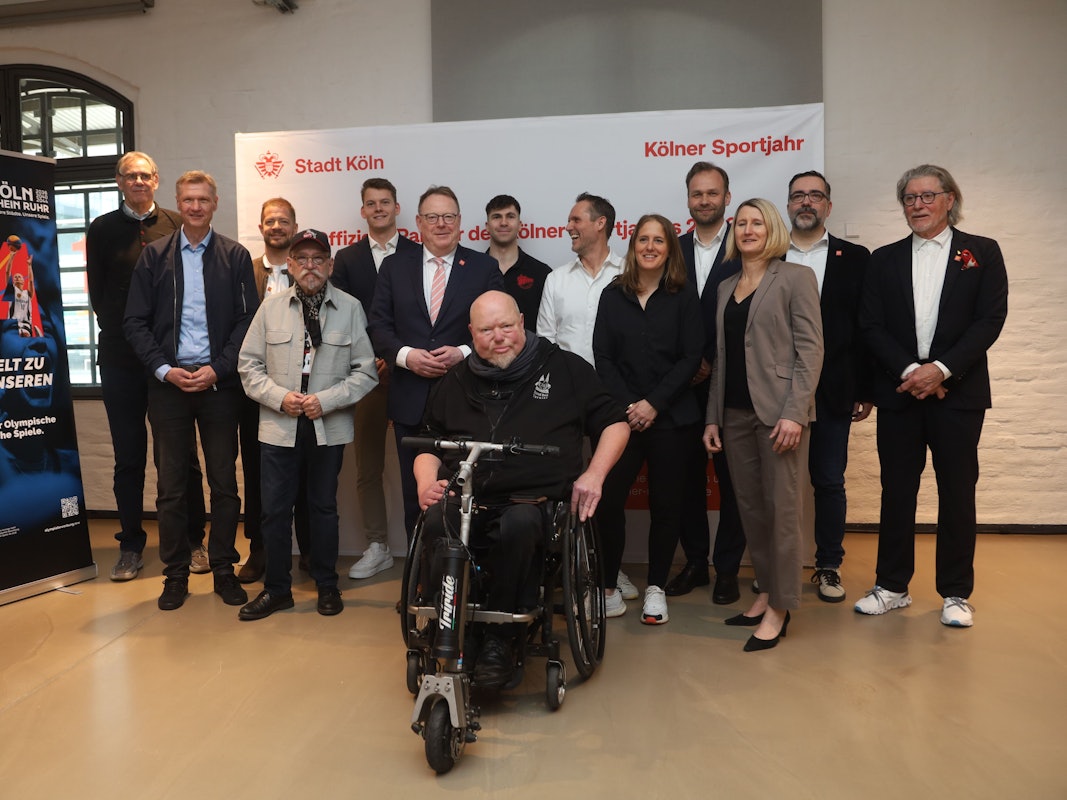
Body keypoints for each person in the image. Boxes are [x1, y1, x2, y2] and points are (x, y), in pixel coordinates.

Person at [415, 290, 628, 686]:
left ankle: (500, 638)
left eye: (507, 326)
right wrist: (427, 481)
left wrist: (594, 474)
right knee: (435, 519)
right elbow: (429, 442)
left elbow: (615, 423)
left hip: (535, 502)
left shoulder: (566, 369)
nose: (499, 337)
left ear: (522, 321)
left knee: (519, 525)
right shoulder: (455, 381)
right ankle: (447, 624)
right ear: (471, 333)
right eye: (486, 330)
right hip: (466, 499)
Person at [856, 164, 1008, 628]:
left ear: (949, 199)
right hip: (901, 392)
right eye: (909, 198)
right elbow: (870, 324)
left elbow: (990, 319)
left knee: (957, 492)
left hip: (957, 394)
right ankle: (892, 586)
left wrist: (940, 370)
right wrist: (910, 372)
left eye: (927, 196)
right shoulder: (882, 258)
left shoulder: (982, 252)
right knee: (896, 491)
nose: (917, 205)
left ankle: (957, 593)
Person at [124, 170, 259, 611]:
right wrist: (164, 369)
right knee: (172, 487)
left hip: (219, 386)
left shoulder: (235, 256)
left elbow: (247, 322)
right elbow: (134, 322)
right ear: (178, 204)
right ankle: (176, 575)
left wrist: (218, 370)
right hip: (169, 386)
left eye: (203, 199)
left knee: (224, 484)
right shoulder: (154, 256)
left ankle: (223, 569)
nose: (196, 206)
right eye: (188, 200)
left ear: (215, 203)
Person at [237, 229, 379, 620]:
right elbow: (247, 366)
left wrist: (326, 401)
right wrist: (281, 398)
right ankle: (277, 589)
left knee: (322, 508)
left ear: (330, 265)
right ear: (291, 265)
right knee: (275, 511)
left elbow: (366, 373)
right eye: (302, 259)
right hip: (278, 426)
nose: (310, 266)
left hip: (326, 427)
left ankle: (326, 585)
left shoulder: (350, 308)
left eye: (318, 259)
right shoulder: (271, 309)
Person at [702, 198, 823, 651]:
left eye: (757, 223)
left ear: (771, 229)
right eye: (742, 224)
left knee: (783, 513)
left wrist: (795, 411)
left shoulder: (795, 278)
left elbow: (811, 351)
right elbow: (722, 358)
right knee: (752, 511)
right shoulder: (725, 286)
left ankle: (781, 606)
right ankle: (766, 592)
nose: (748, 230)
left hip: (779, 416)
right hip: (733, 415)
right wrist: (712, 417)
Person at [85, 152, 208, 582]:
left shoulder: (175, 222)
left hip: (169, 360)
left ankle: (195, 541)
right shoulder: (101, 229)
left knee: (182, 456)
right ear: (119, 181)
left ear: (156, 180)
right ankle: (132, 546)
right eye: (129, 175)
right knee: (129, 456)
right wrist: (129, 336)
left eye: (144, 175)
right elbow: (98, 295)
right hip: (120, 359)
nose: (137, 181)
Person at [368, 185, 503, 542]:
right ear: (418, 223)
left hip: (468, 400)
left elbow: (501, 328)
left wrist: (464, 351)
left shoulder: (484, 268)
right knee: (419, 496)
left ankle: (462, 581)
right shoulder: (394, 267)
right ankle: (419, 583)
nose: (441, 224)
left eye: (448, 217)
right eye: (432, 217)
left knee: (469, 495)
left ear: (460, 223)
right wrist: (405, 357)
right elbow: (377, 325)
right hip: (410, 401)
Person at [593, 214, 704, 624]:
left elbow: (691, 356)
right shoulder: (612, 295)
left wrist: (653, 403)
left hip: (672, 418)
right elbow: (602, 356)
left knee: (667, 505)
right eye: (643, 239)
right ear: (633, 244)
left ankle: (656, 586)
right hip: (623, 419)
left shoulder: (683, 295)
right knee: (607, 502)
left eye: (659, 240)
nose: (650, 247)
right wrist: (630, 406)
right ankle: (607, 587)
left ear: (670, 248)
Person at [535, 192, 638, 603]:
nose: (569, 227)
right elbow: (545, 342)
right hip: (566, 400)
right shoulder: (557, 279)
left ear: (601, 223)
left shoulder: (631, 272)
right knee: (565, 487)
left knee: (608, 494)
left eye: (577, 219)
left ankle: (609, 568)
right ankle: (571, 567)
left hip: (617, 400)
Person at [785, 171, 872, 602]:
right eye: (798, 196)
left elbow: (866, 326)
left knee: (829, 481)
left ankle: (828, 566)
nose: (806, 202)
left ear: (828, 206)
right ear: (788, 206)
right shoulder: (767, 256)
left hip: (834, 388)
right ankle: (775, 567)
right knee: (776, 482)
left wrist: (865, 387)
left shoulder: (854, 257)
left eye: (815, 196)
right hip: (778, 389)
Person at [666, 161, 747, 604]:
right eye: (697, 194)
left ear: (726, 198)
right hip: (682, 386)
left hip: (732, 382)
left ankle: (729, 567)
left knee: (733, 482)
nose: (704, 201)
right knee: (685, 480)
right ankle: (696, 562)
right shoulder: (672, 248)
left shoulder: (746, 243)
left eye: (712, 193)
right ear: (689, 200)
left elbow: (751, 314)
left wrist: (711, 363)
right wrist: (689, 365)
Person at [332, 177, 419, 579]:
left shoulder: (420, 255)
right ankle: (377, 545)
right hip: (366, 373)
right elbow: (342, 317)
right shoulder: (346, 260)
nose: (379, 209)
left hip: (412, 372)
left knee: (421, 463)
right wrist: (372, 357)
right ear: (363, 211)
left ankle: (424, 545)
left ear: (397, 208)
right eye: (372, 203)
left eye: (386, 202)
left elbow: (425, 316)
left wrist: (395, 355)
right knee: (367, 465)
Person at [237, 197, 311, 583]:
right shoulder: (243, 270)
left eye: (284, 220)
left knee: (306, 473)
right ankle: (259, 549)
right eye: (270, 221)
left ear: (295, 226)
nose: (277, 226)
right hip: (257, 393)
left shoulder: (311, 271)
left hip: (305, 390)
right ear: (261, 227)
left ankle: (308, 552)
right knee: (257, 474)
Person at [484, 194, 551, 324]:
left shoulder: (542, 273)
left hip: (530, 344)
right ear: (487, 226)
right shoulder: (472, 271)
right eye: (497, 217)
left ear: (520, 225)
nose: (503, 223)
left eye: (510, 216)